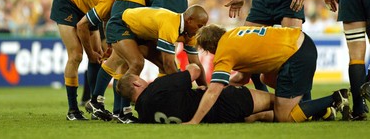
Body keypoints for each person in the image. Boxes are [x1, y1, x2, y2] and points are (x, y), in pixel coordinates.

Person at [184, 24, 350, 123]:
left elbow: (214, 91)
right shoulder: (235, 33)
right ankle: (323, 112)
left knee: (284, 117)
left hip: (295, 56)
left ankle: (335, 98)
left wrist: (194, 121)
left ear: (210, 48)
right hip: (299, 41)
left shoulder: (224, 52)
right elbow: (242, 78)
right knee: (265, 78)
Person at [87, 4, 208, 122]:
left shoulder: (190, 34)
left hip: (141, 33)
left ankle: (96, 101)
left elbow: (196, 63)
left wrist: (206, 91)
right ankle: (123, 112)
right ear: (189, 20)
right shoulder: (171, 24)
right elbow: (168, 64)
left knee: (162, 66)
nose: (201, 30)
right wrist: (184, 90)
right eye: (199, 26)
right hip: (121, 25)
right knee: (137, 63)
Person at [49, 0, 118, 121]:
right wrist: (90, 53)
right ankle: (73, 110)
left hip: (86, 5)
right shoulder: (111, 0)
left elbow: (107, 18)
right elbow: (81, 26)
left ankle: (95, 105)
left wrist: (109, 44)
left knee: (99, 54)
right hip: (67, 1)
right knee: (76, 55)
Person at [117, 63, 274, 123]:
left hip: (221, 119)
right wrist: (204, 87)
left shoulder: (143, 116)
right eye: (140, 78)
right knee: (279, 102)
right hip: (225, 101)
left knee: (262, 114)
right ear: (136, 83)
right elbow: (195, 70)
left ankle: (258, 115)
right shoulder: (157, 87)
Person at [80, 0, 120, 107]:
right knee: (103, 55)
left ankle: (88, 96)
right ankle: (92, 97)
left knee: (101, 56)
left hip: (105, 17)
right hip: (99, 17)